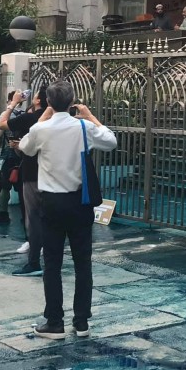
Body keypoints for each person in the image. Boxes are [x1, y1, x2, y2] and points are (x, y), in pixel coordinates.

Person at [19, 81, 117, 340]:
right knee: (83, 263)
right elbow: (111, 141)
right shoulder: (83, 127)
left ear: (49, 102)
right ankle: (82, 321)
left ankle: (54, 322)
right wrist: (90, 116)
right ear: (73, 101)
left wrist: (43, 117)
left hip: (51, 202)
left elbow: (25, 147)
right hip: (80, 202)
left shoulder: (41, 128)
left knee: (52, 263)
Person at [0, 88, 46, 276]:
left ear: (40, 100)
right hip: (53, 175)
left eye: (35, 96)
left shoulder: (31, 119)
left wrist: (13, 103)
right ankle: (49, 255)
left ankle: (34, 260)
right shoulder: (67, 122)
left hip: (32, 172)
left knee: (32, 217)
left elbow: (1, 124)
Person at [0, 91, 22, 226]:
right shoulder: (25, 115)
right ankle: (25, 213)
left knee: (5, 187)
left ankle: (3, 213)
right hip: (22, 154)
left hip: (7, 155)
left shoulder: (6, 115)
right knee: (22, 186)